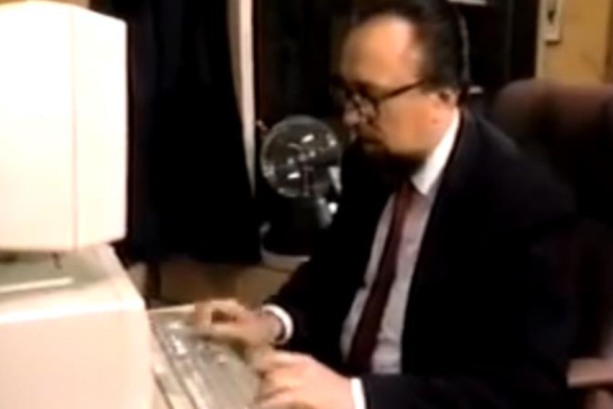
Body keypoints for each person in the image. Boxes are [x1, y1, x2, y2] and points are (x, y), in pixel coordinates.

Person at [194, 0, 577, 408]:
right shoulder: (368, 161)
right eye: (347, 94)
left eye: (369, 98)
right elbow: (330, 274)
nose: (351, 118)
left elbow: (527, 388)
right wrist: (272, 322)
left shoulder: (525, 205)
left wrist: (356, 396)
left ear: (444, 96)